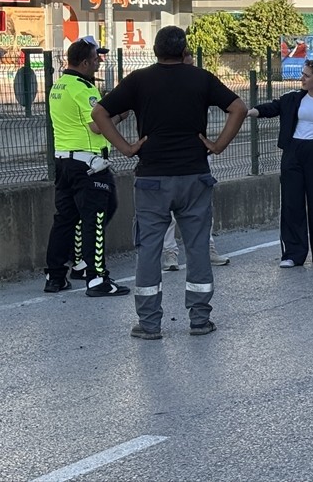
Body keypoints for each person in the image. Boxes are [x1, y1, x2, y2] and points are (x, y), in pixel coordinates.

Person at [92, 26, 247, 340]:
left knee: (149, 249)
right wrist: (217, 145)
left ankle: (149, 324)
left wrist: (126, 148)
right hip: (194, 176)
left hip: (152, 179)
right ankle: (200, 319)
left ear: (155, 50)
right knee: (198, 247)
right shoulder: (200, 78)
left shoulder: (139, 80)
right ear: (184, 49)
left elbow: (100, 113)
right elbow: (239, 108)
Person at [43, 36, 131, 297]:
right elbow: (96, 124)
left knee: (65, 219)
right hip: (89, 165)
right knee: (97, 216)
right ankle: (97, 278)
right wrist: (120, 114)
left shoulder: (58, 86)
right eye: (95, 58)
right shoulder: (84, 88)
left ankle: (56, 275)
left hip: (64, 162)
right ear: (83, 62)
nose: (99, 62)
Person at [247, 59, 313, 268]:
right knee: (292, 204)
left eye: (307, 75)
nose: (302, 78)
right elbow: (272, 108)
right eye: (303, 74)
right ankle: (292, 253)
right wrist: (249, 111)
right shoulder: (292, 98)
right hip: (293, 153)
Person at [162, 50, 228, 270]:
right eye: (187, 64)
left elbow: (234, 107)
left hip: (195, 157)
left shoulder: (200, 83)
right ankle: (170, 253)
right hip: (165, 157)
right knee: (167, 210)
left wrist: (214, 145)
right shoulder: (159, 84)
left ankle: (207, 248)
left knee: (202, 208)